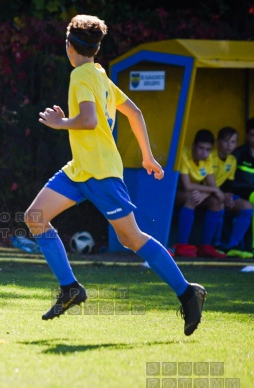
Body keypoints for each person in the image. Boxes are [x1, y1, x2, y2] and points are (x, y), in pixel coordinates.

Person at [27, 15, 206, 336]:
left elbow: (88, 120)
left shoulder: (82, 74)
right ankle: (70, 288)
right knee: (35, 217)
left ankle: (187, 292)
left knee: (131, 238)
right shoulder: (98, 73)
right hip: (81, 168)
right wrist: (147, 155)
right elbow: (134, 112)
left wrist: (60, 123)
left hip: (100, 172)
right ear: (94, 48)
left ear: (69, 47)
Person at [174, 129, 227, 259]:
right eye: (201, 148)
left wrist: (205, 194)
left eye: (208, 149)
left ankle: (206, 246)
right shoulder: (184, 155)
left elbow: (212, 185)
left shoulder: (207, 159)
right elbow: (187, 186)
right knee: (192, 198)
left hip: (198, 193)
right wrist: (212, 191)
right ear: (194, 146)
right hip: (176, 194)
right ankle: (182, 244)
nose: (204, 153)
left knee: (215, 202)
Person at [211, 126, 253, 258]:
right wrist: (223, 195)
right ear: (218, 142)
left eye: (233, 142)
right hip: (209, 193)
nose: (229, 145)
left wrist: (228, 195)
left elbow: (229, 183)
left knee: (247, 207)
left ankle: (232, 246)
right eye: (226, 141)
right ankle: (215, 245)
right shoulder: (211, 157)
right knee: (219, 204)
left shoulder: (232, 160)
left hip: (224, 194)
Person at [229, 117, 254, 252]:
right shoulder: (238, 153)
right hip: (238, 195)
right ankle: (246, 246)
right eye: (252, 135)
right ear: (247, 135)